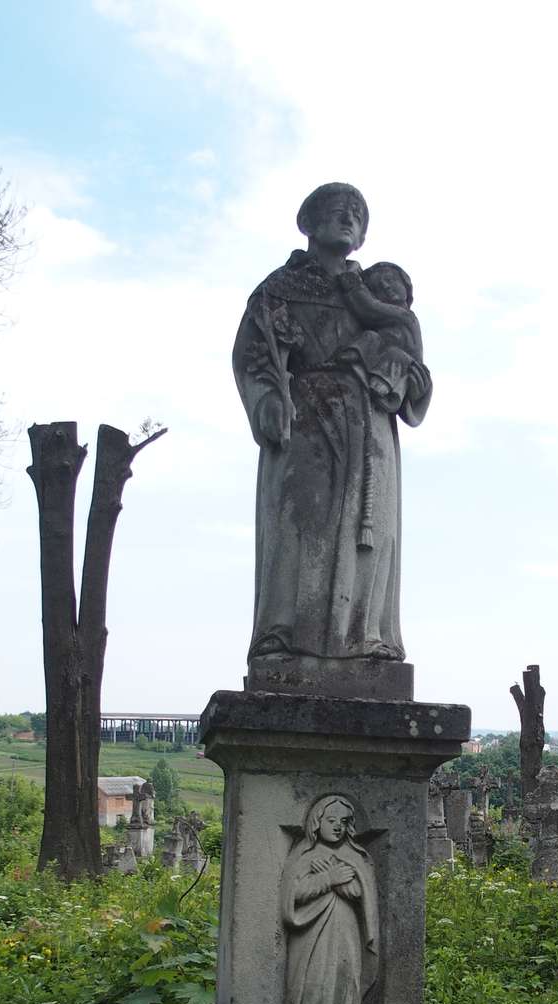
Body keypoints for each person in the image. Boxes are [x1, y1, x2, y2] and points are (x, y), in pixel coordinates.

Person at [232, 183, 433, 664]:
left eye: (357, 214)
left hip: (370, 429)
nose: (347, 219)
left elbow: (415, 372)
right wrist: (267, 402)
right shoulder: (277, 290)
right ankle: (283, 636)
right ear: (308, 221)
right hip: (306, 419)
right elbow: (252, 357)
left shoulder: (377, 293)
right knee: (302, 524)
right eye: (337, 210)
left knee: (370, 532)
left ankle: (366, 637)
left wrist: (397, 375)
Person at [279, 794, 378, 1004]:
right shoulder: (304, 856)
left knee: (346, 973)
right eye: (331, 820)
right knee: (313, 975)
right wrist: (328, 879)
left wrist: (335, 880)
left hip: (346, 925)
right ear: (316, 822)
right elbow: (295, 894)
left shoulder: (356, 858)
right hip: (311, 929)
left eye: (344, 822)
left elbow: (358, 893)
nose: (337, 826)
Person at [334, 261, 424, 415]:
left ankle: (381, 384)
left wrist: (351, 278)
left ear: (406, 284)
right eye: (377, 287)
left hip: (402, 363)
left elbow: (368, 307)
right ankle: (354, 356)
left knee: (393, 355)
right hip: (382, 353)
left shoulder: (405, 316)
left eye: (390, 280)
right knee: (371, 337)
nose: (386, 287)